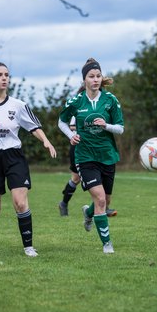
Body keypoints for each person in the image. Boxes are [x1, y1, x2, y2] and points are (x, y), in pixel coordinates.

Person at [0, 62, 57, 257]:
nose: (5, 78)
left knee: (20, 202)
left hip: (13, 156)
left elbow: (34, 126)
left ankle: (28, 246)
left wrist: (46, 141)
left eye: (7, 75)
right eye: (0, 75)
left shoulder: (18, 106)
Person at [58, 58, 124, 254]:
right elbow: (61, 122)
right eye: (91, 76)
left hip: (107, 156)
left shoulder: (111, 100)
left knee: (105, 202)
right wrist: (71, 135)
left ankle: (88, 213)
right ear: (84, 80)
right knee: (101, 200)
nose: (95, 79)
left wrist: (106, 126)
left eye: (98, 76)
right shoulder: (76, 101)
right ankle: (107, 244)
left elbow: (120, 128)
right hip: (85, 156)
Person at [58, 117, 118, 218]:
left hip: (97, 146)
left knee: (102, 175)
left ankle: (103, 206)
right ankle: (64, 203)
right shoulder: (80, 106)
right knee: (76, 178)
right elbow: (72, 127)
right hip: (80, 146)